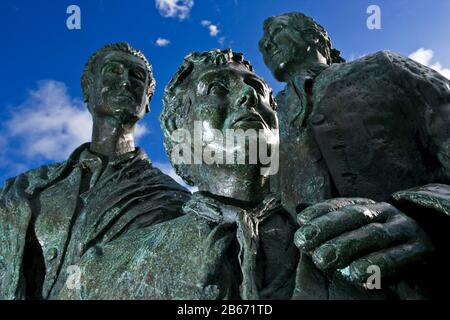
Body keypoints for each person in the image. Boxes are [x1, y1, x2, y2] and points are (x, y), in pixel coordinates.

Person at [259, 12, 450, 298]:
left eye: (278, 32)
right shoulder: (265, 119)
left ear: (315, 37)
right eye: (263, 41)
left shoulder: (384, 67)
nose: (266, 44)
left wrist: (429, 218)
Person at [0, 43, 190, 300]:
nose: (125, 82)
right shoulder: (26, 189)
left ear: (147, 101)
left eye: (136, 77)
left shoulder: (174, 200)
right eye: (114, 71)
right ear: (87, 88)